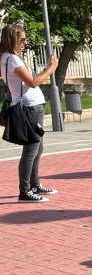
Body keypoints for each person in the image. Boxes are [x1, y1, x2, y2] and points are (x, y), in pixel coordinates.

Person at [0, 24, 59, 203]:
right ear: (12, 39)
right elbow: (33, 82)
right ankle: (24, 191)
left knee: (37, 148)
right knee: (31, 150)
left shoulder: (8, 58)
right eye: (22, 39)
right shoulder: (12, 59)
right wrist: (51, 68)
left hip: (33, 106)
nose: (25, 43)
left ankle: (34, 184)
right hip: (29, 108)